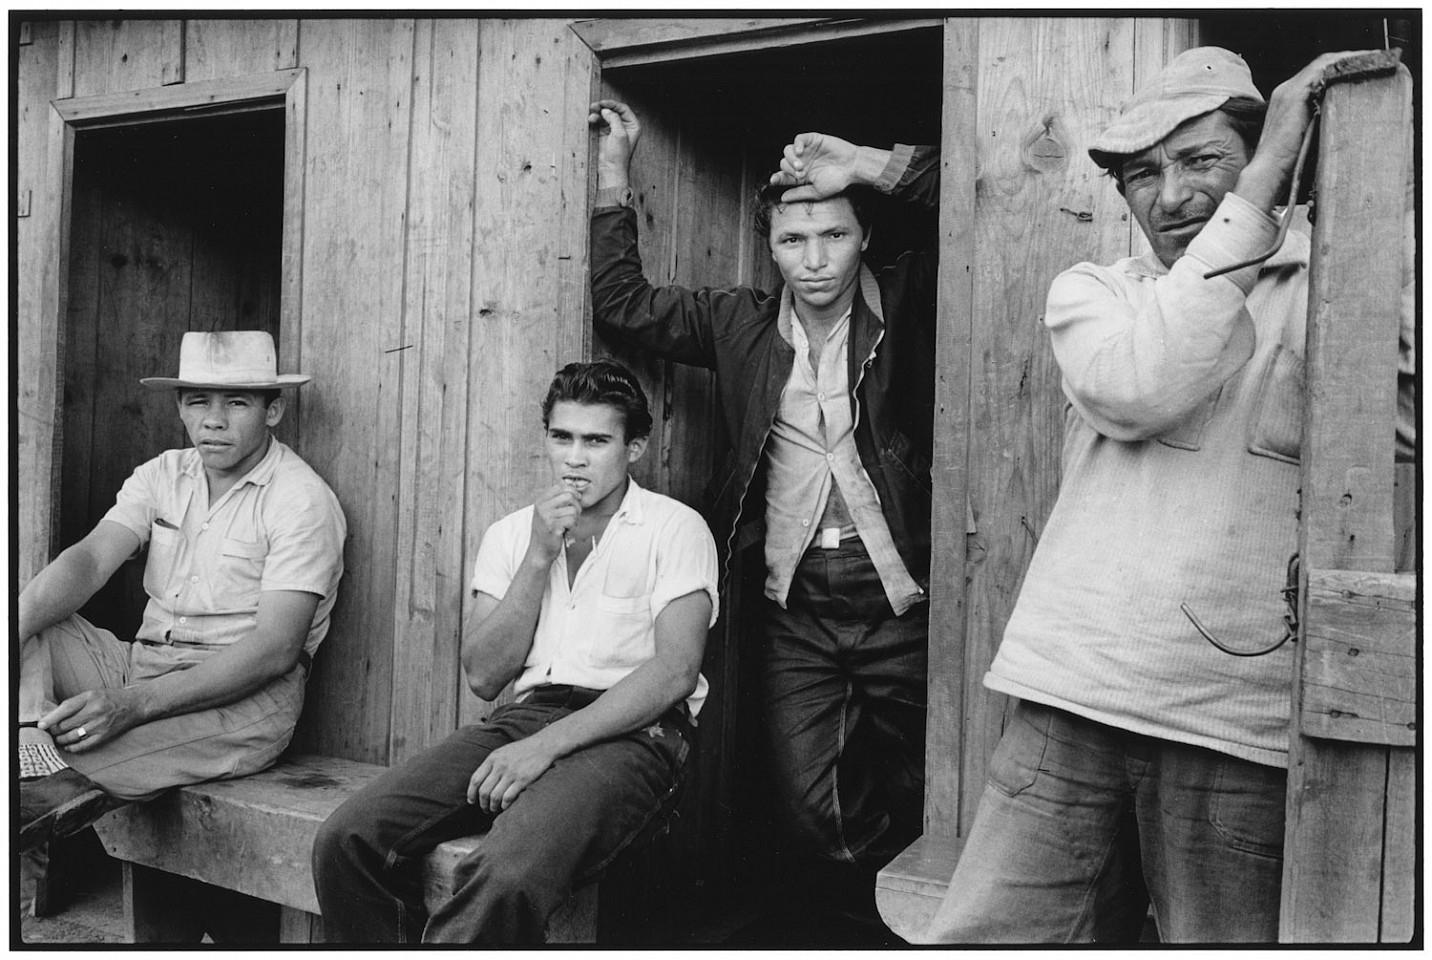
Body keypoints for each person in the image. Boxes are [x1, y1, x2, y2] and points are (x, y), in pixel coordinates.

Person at [919, 47, 1416, 944]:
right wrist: (1256, 196)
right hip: (1072, 698)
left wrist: (1371, 236)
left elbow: (1402, 439)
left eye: (1203, 162)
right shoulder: (1101, 291)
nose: (1173, 197)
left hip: (1237, 724)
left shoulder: (1346, 288)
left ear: (1277, 159)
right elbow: (1138, 386)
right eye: (1143, 175)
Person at [587, 100, 938, 927]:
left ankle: (923, 928)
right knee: (813, 808)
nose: (814, 259)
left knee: (934, 788)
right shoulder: (738, 323)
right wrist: (615, 171)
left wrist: (864, 160)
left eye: (835, 235)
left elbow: (985, 198)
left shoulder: (916, 296)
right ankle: (873, 922)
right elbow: (622, 302)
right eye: (792, 239)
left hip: (908, 602)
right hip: (797, 610)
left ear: (864, 238)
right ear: (770, 247)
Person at [312, 359, 719, 944]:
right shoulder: (512, 535)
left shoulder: (674, 527)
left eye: (597, 440)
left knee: (504, 872)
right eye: (562, 437)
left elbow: (675, 672)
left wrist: (543, 749)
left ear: (635, 448)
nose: (575, 458)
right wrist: (538, 555)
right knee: (346, 839)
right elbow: (484, 673)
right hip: (524, 717)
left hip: (636, 734)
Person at [19, 329, 346, 851]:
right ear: (180, 407)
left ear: (273, 411)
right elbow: (88, 561)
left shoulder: (301, 499)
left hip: (241, 700)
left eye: (237, 402)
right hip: (140, 664)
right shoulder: (163, 474)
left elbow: (275, 651)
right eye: (198, 401)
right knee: (31, 613)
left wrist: (133, 704)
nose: (214, 419)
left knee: (76, 755)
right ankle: (28, 738)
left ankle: (39, 767)